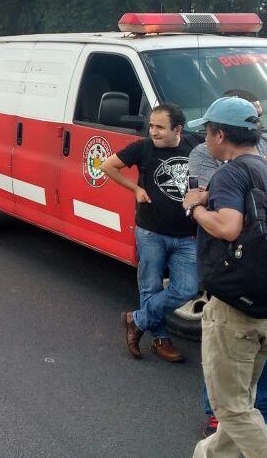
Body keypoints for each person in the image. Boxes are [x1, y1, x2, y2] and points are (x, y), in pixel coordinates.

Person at [189, 89, 267, 444]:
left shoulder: (230, 173)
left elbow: (229, 227)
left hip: (237, 298)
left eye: (207, 132)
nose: (205, 139)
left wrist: (195, 208)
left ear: (220, 135)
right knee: (242, 401)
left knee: (232, 409)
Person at [102, 103, 200, 362]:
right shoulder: (143, 148)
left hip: (187, 234)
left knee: (188, 288)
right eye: (151, 126)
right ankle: (160, 339)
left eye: (160, 127)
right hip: (151, 232)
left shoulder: (195, 145)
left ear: (177, 129)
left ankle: (136, 320)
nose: (153, 132)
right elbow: (108, 166)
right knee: (151, 286)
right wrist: (134, 189)